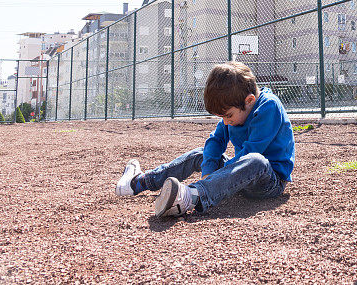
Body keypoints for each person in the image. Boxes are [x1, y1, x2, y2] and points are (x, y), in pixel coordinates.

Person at [115, 61, 295, 218]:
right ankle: (138, 183)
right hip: (239, 176)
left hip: (269, 181)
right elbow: (215, 141)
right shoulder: (235, 109)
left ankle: (192, 196)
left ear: (249, 101)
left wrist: (213, 177)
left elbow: (250, 152)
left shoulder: (269, 107)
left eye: (228, 115)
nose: (225, 122)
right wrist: (208, 170)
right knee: (202, 154)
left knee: (255, 160)